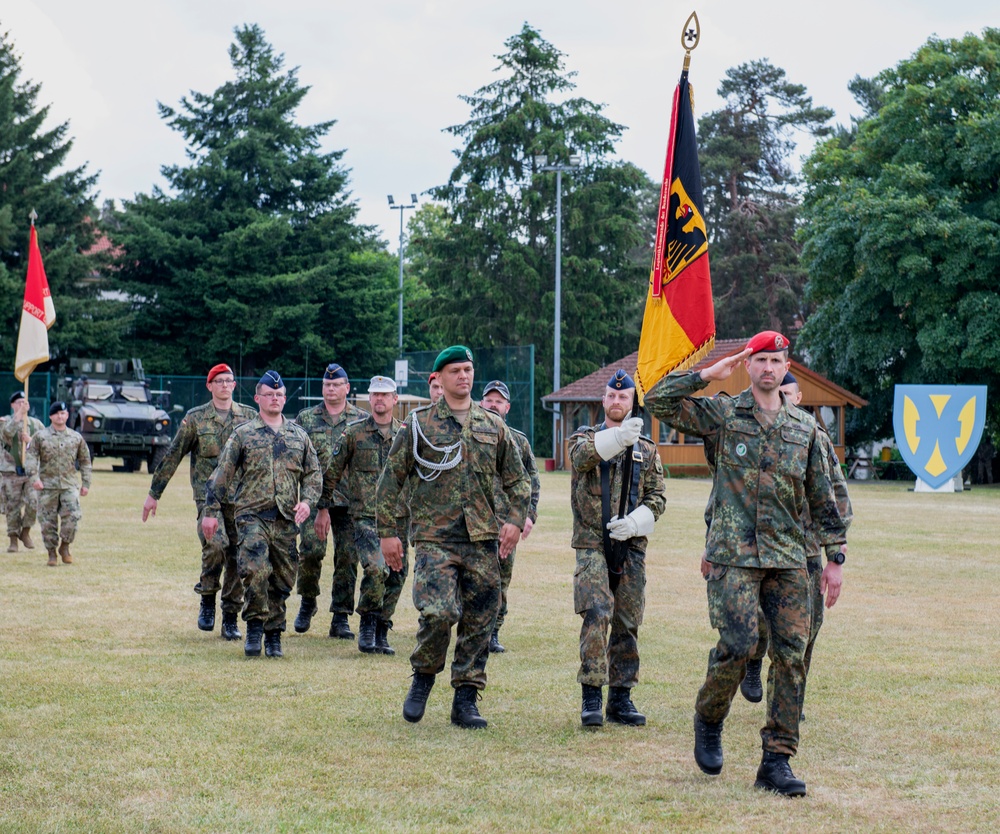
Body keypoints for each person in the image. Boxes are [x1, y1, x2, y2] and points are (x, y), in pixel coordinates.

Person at [645, 331, 847, 797]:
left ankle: (777, 760)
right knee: (738, 644)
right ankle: (709, 717)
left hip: (790, 558)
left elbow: (823, 498)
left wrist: (835, 557)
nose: (769, 369)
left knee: (792, 658)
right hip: (733, 555)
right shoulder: (722, 414)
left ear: (785, 365)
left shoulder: (805, 429)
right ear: (748, 365)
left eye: (777, 361)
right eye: (761, 361)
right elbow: (657, 401)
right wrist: (705, 374)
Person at [376, 345, 530, 729]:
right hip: (435, 538)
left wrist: (514, 519)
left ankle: (465, 698)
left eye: (468, 369)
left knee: (481, 619)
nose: (464, 376)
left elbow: (518, 479)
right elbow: (390, 482)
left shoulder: (492, 425)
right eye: (455, 371)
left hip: (481, 538)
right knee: (439, 613)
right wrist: (387, 534)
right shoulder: (419, 424)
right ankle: (423, 678)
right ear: (438, 379)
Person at [737, 373, 851, 715]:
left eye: (789, 394)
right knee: (757, 619)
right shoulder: (754, 435)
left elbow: (837, 495)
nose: (783, 399)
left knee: (808, 626)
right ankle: (754, 660)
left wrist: (838, 550)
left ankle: (790, 698)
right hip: (760, 547)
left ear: (798, 397)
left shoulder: (815, 437)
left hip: (806, 549)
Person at [569, 370, 667, 728]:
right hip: (592, 542)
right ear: (603, 400)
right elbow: (580, 459)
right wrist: (617, 439)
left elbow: (658, 496)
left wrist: (637, 522)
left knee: (628, 620)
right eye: (610, 396)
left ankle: (621, 698)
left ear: (632, 402)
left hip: (631, 547)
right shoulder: (586, 437)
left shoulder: (647, 450)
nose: (615, 401)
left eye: (623, 397)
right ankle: (592, 694)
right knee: (597, 612)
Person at [202, 371, 322, 658]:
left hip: (285, 520)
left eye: (279, 395)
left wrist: (307, 501)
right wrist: (210, 511)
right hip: (251, 516)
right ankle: (255, 628)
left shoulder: (298, 436)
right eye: (269, 394)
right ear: (258, 399)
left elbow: (314, 474)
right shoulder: (243, 434)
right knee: (255, 571)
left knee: (282, 580)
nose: (275, 399)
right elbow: (222, 474)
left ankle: (274, 634)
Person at [143, 364, 256, 640]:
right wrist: (153, 494)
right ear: (210, 386)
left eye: (229, 381)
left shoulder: (249, 417)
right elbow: (173, 454)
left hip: (242, 499)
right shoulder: (196, 419)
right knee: (216, 545)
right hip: (209, 501)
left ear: (234, 385)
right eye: (219, 381)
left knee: (237, 557)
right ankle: (207, 597)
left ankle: (230, 616)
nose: (224, 385)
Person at [320, 376, 407, 655]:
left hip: (399, 517)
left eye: (385, 395)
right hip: (366, 516)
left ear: (395, 399)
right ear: (369, 400)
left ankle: (382, 629)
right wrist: (322, 506)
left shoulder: (407, 434)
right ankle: (368, 623)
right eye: (375, 395)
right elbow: (332, 472)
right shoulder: (354, 433)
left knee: (397, 573)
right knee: (375, 567)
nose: (379, 400)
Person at [292, 363, 363, 639]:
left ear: (347, 388)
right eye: (326, 385)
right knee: (310, 551)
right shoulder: (306, 419)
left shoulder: (360, 420)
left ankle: (341, 616)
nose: (331, 389)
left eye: (336, 385)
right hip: (314, 499)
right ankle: (308, 601)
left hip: (349, 502)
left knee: (347, 557)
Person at [479, 379, 540, 653]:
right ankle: (469, 630)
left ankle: (493, 632)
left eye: (498, 401)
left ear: (507, 407)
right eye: (489, 400)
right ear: (481, 403)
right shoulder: (467, 435)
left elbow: (532, 482)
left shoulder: (519, 442)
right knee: (469, 580)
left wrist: (528, 516)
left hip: (507, 525)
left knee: (501, 580)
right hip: (472, 523)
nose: (493, 404)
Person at [26, 401, 92, 567]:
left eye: (63, 413)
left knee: (72, 518)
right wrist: (34, 478)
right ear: (50, 416)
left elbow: (85, 461)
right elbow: (31, 458)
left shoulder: (76, 437)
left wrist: (86, 483)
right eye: (56, 413)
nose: (60, 416)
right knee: (48, 522)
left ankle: (65, 547)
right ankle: (51, 553)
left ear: (67, 416)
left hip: (69, 485)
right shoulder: (40, 437)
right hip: (47, 486)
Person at [1, 392, 44, 552]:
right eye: (18, 402)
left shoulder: (35, 424)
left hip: (30, 472)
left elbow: (43, 444)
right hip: (11, 472)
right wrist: (19, 414)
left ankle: (25, 531)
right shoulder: (4, 421)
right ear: (12, 405)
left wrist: (30, 441)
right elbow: (7, 433)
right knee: (12, 507)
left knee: (34, 502)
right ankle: (13, 539)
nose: (22, 405)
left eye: (24, 402)